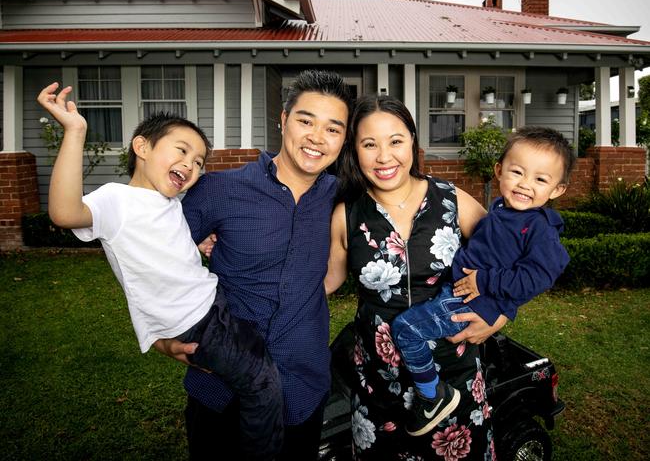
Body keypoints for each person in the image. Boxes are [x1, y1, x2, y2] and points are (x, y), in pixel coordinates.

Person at [38, 82, 283, 461]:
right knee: (263, 383)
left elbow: (162, 245)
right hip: (196, 322)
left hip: (213, 306)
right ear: (142, 147)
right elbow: (65, 213)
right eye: (182, 151)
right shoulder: (116, 200)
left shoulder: (167, 204)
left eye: (199, 162)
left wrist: (196, 245)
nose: (190, 164)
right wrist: (75, 132)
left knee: (260, 353)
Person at [153, 70, 354, 460]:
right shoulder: (219, 190)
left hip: (301, 385)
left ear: (343, 139)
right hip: (221, 387)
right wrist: (159, 334)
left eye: (333, 128)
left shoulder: (343, 196)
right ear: (282, 119)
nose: (316, 137)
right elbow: (148, 255)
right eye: (305, 120)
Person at [325, 94, 507, 460]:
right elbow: (324, 283)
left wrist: (501, 313)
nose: (384, 156)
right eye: (369, 144)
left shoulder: (452, 200)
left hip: (453, 378)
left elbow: (513, 257)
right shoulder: (346, 214)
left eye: (395, 141)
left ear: (412, 141)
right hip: (379, 386)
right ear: (354, 151)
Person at [391, 126, 575, 437]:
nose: (525, 184)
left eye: (540, 179)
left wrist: (485, 284)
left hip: (469, 301)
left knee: (405, 330)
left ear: (557, 189)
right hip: (462, 294)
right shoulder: (503, 211)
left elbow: (538, 277)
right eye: (517, 172)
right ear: (499, 171)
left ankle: (432, 396)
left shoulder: (539, 229)